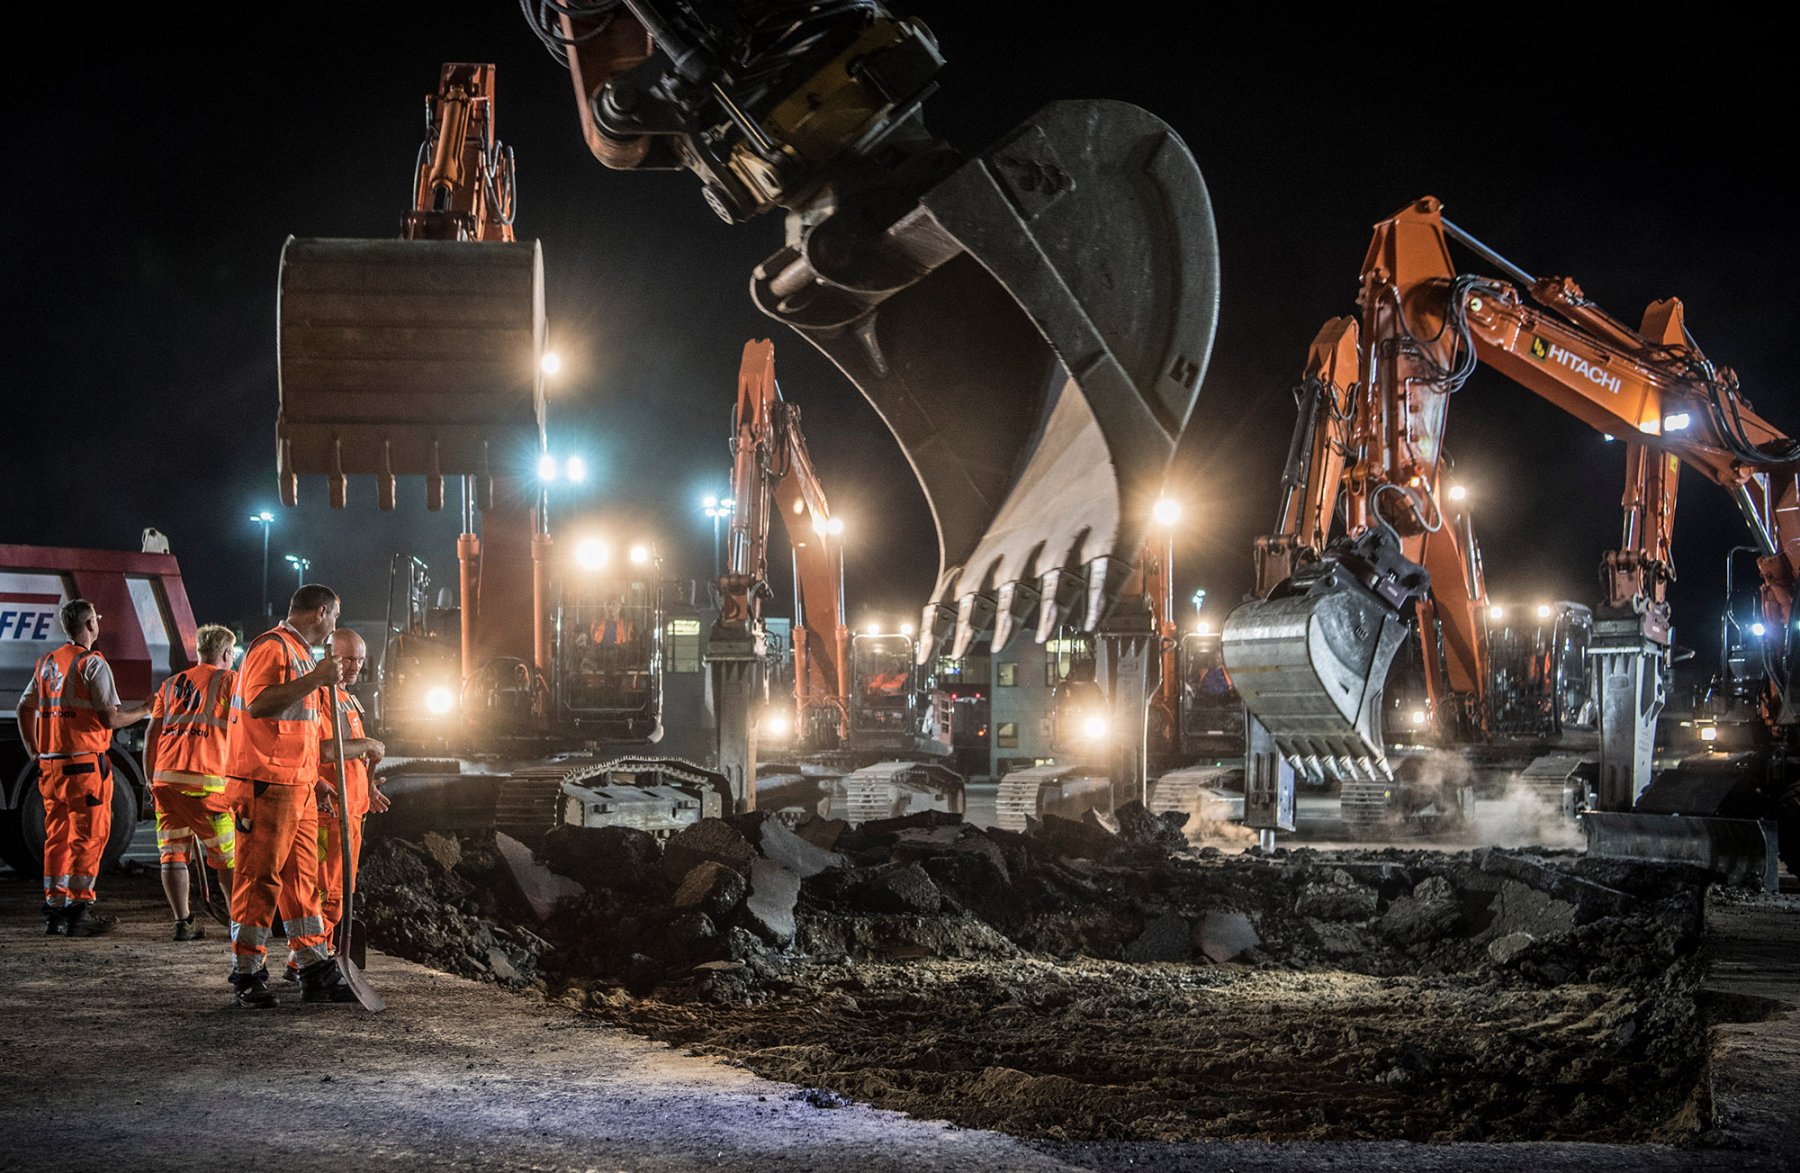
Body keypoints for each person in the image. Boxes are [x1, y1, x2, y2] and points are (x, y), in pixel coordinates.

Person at [222, 584, 351, 1008]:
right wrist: (316, 678)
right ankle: (247, 973)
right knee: (258, 880)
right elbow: (259, 706)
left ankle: (315, 968)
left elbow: (299, 731)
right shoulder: (272, 647)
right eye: (334, 617)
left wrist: (315, 779)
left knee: (303, 883)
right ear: (321, 612)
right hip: (266, 784)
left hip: (295, 785)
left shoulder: (298, 653)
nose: (335, 627)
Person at [14, 599, 150, 936]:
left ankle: (55, 909)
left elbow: (23, 707)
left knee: (56, 839)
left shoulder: (47, 664)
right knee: (88, 838)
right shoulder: (92, 664)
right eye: (97, 619)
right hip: (85, 768)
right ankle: (79, 910)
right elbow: (111, 718)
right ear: (90, 625)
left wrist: (34, 749)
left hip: (51, 768)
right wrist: (146, 709)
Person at [143, 624, 240, 940]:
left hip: (165, 782)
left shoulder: (170, 684)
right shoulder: (229, 681)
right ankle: (240, 924)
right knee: (228, 859)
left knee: (172, 854)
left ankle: (183, 922)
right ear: (226, 654)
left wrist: (149, 779)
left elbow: (152, 733)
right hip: (207, 784)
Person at [308, 628, 386, 963]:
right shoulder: (320, 697)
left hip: (351, 810)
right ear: (329, 657)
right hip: (329, 812)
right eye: (348, 659)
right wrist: (368, 745)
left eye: (360, 660)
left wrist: (366, 785)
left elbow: (348, 756)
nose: (355, 666)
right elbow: (321, 750)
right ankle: (312, 960)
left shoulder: (346, 697)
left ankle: (322, 956)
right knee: (327, 890)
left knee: (340, 891)